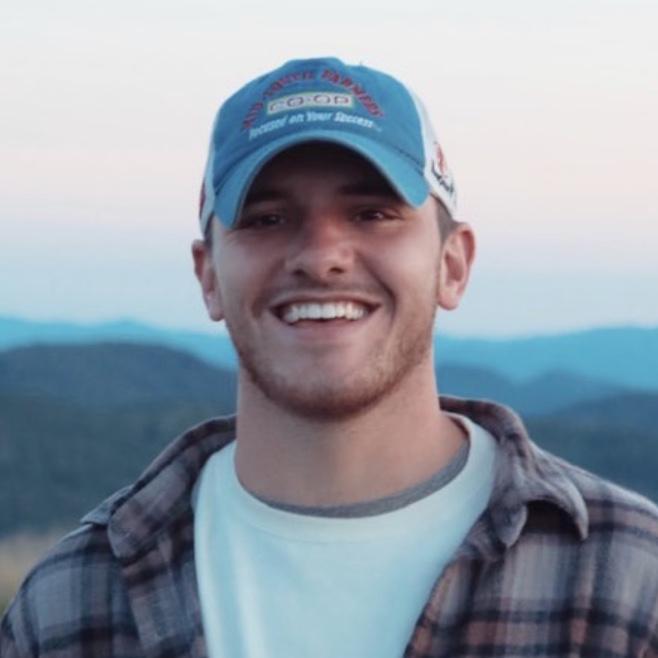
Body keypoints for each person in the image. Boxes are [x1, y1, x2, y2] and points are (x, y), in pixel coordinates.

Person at [2, 56, 657, 658]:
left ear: (452, 264)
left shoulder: (630, 581)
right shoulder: (70, 602)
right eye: (266, 218)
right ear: (208, 277)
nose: (320, 256)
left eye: (372, 213)